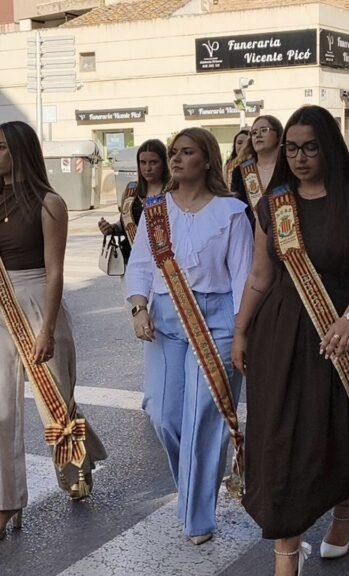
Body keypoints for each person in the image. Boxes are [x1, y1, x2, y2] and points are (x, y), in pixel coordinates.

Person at [233, 105, 349, 576]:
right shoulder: (274, 204)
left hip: (342, 336)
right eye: (292, 149)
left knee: (337, 433)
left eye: (310, 148)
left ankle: (343, 509)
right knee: (280, 440)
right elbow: (259, 276)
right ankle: (286, 552)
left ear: (329, 149)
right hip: (281, 335)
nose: (299, 158)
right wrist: (241, 330)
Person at [0, 121, 107, 543]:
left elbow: (55, 271)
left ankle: (78, 461)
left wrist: (47, 328)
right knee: (0, 410)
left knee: (56, 400)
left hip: (37, 298)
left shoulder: (50, 204)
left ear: (20, 151)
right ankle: (6, 502)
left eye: (0, 147)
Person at [124, 127, 253, 545]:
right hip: (166, 317)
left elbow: (243, 278)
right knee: (162, 413)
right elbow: (140, 265)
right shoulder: (156, 211)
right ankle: (194, 483)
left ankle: (198, 516)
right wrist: (139, 307)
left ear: (207, 159)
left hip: (216, 320)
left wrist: (241, 333)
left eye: (187, 152)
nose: (176, 159)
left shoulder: (231, 212)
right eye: (174, 152)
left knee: (203, 418)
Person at [98, 139, 171, 259]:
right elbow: (126, 224)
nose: (147, 168)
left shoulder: (174, 192)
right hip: (133, 259)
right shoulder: (131, 191)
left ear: (164, 163)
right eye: (143, 162)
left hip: (167, 261)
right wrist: (112, 229)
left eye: (153, 162)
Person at [230, 115, 284, 222]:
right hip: (249, 229)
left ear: (278, 135)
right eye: (254, 133)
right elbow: (236, 208)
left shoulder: (288, 168)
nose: (258, 135)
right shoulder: (240, 172)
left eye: (264, 130)